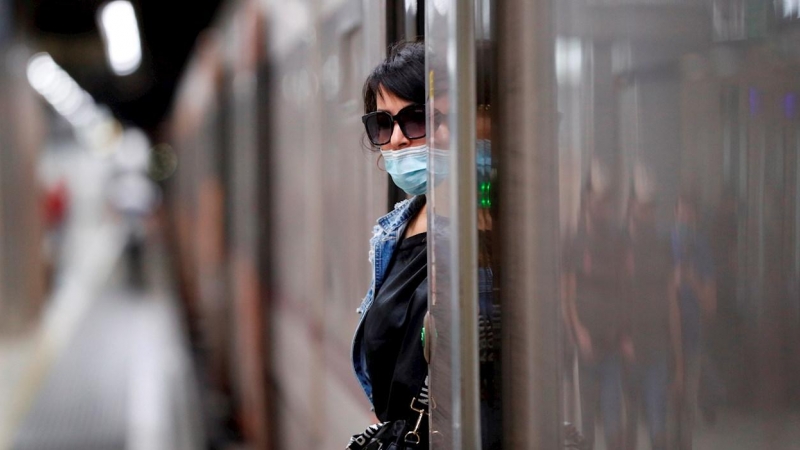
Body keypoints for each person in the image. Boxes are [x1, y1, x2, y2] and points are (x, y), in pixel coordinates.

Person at [349, 41, 431, 448]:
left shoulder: (477, 235)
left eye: (416, 119)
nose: (397, 139)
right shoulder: (394, 229)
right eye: (384, 123)